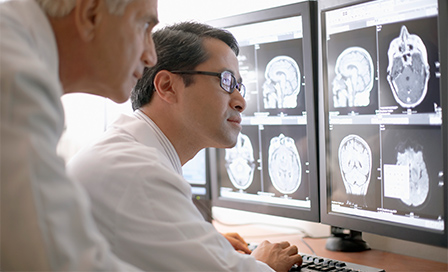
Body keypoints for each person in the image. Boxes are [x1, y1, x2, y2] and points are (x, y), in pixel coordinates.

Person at [67, 21, 303, 272]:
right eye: (226, 81)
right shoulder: (138, 171)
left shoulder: (129, 151)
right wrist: (263, 264)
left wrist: (192, 243)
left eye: (238, 86)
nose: (241, 102)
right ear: (167, 87)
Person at [0, 0, 158, 271]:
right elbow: (58, 260)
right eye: (144, 26)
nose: (151, 56)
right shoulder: (17, 79)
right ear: (91, 14)